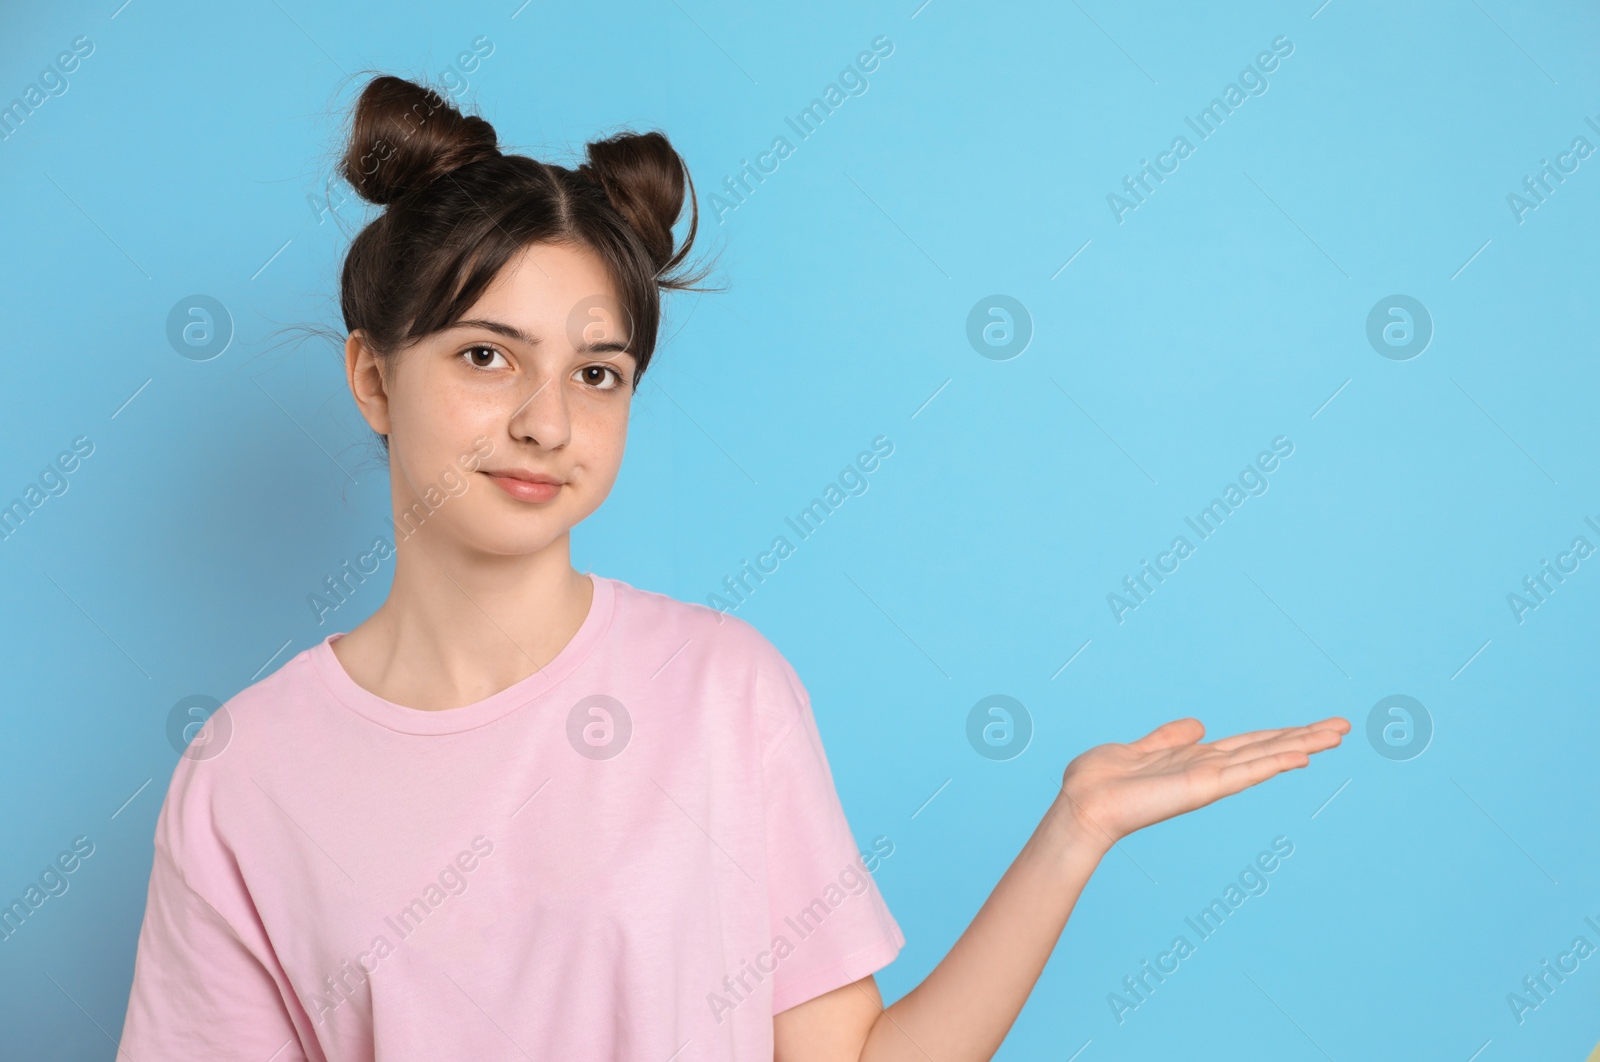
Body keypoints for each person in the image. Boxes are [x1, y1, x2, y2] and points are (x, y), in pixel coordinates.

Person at [117, 74, 1348, 1061]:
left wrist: (1071, 832)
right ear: (375, 377)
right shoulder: (246, 778)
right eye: (488, 356)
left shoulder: (721, 692)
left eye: (597, 372)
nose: (548, 419)